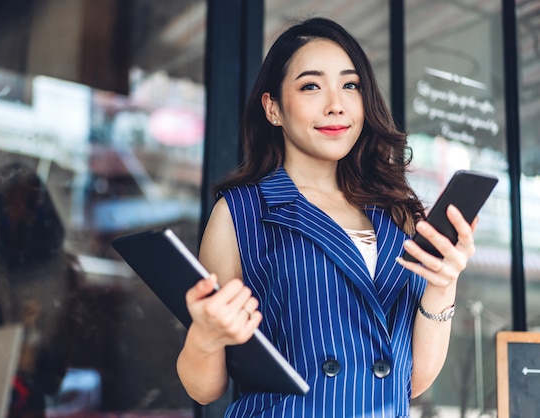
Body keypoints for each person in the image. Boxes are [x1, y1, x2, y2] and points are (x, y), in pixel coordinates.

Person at [176, 17, 478, 417]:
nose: (336, 104)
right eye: (311, 86)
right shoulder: (242, 212)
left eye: (350, 85)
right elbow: (204, 390)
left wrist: (443, 286)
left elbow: (412, 380)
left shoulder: (397, 214)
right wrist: (206, 336)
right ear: (273, 108)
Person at [0, 162, 88, 418]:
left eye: (30, 204)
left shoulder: (63, 278)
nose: (20, 214)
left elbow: (52, 376)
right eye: (7, 204)